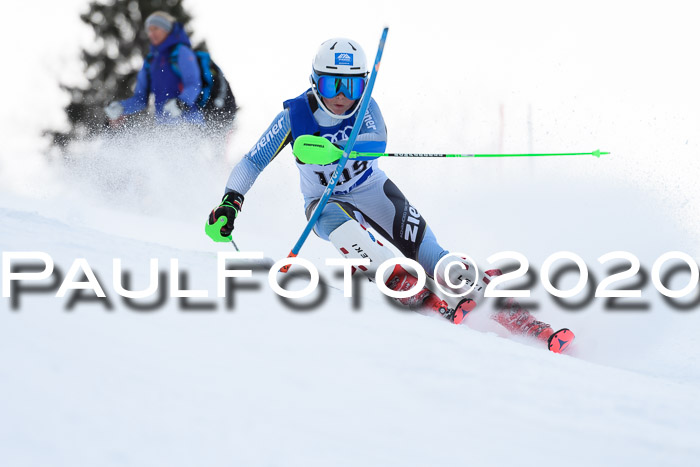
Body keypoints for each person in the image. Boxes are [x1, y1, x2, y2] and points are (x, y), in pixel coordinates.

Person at [205, 38, 573, 353]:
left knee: (434, 256)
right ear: (315, 82)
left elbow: (377, 140)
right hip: (324, 202)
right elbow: (253, 160)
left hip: (372, 190)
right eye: (333, 86)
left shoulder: (365, 106)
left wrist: (341, 151)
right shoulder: (294, 116)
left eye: (351, 87)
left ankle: (503, 306)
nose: (342, 98)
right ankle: (396, 277)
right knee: (337, 223)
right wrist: (230, 202)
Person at [104, 11, 204, 126]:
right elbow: (141, 99)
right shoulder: (150, 61)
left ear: (166, 29)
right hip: (164, 127)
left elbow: (194, 84)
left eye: (155, 28)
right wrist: (121, 108)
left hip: (191, 124)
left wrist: (181, 103)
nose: (151, 34)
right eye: (149, 30)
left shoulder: (181, 52)